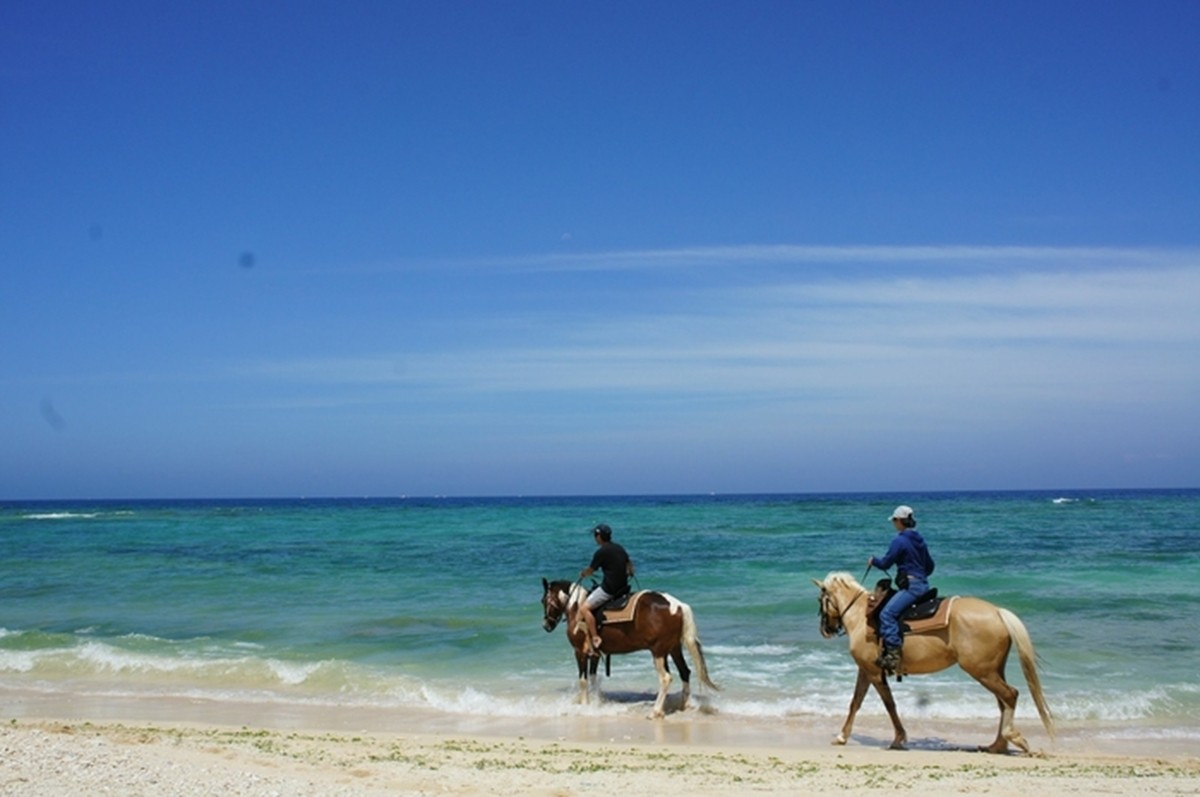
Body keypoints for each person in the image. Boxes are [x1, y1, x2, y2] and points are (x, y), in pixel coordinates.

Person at [867, 505, 935, 673]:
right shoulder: (919, 539)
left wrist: (873, 561)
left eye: (894, 521)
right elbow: (930, 566)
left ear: (899, 521)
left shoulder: (899, 540)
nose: (894, 524)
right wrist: (919, 575)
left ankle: (893, 655)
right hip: (922, 584)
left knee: (886, 614)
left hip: (912, 587)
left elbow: (886, 563)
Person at [577, 523, 634, 656]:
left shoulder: (601, 552)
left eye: (595, 535)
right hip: (623, 587)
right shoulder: (619, 548)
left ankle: (595, 637)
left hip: (609, 589)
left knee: (584, 608)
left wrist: (583, 574)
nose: (594, 538)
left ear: (599, 537)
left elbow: (591, 571)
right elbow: (630, 567)